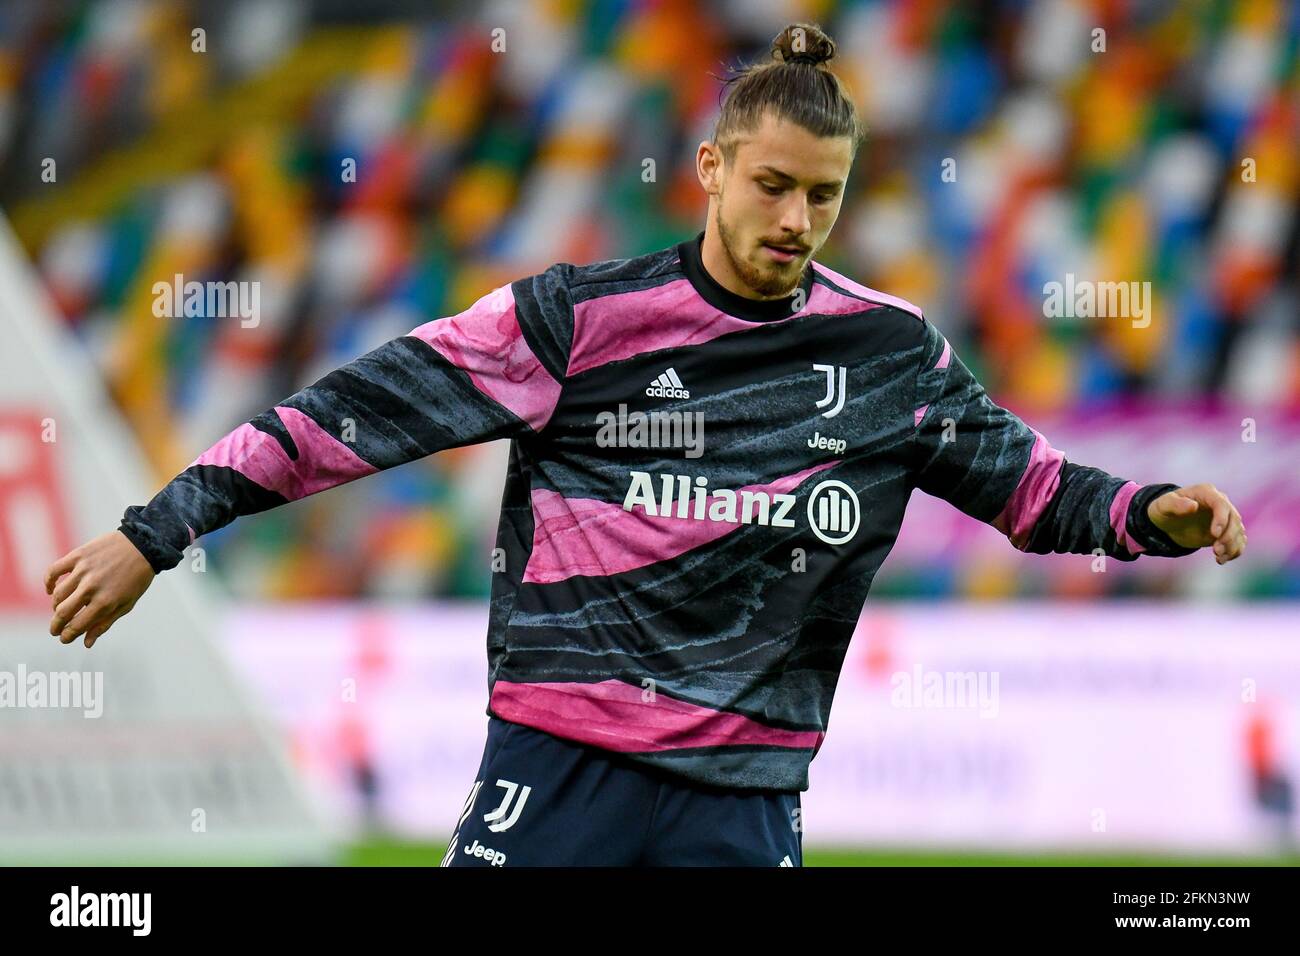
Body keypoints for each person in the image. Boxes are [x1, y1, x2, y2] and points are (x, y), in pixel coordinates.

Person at [44, 21, 1246, 866]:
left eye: (821, 197)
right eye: (772, 185)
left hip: (743, 793)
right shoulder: (574, 319)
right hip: (561, 759)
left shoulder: (889, 353)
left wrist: (1151, 514)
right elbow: (356, 413)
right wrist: (160, 531)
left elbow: (1031, 491)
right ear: (711, 169)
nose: (795, 219)